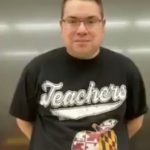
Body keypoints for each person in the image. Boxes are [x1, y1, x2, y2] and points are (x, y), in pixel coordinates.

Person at [9, 0, 148, 150]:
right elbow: (23, 120)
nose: (82, 29)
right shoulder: (37, 68)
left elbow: (136, 119)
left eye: (91, 20)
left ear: (103, 25)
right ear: (62, 26)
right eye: (72, 21)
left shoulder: (126, 68)